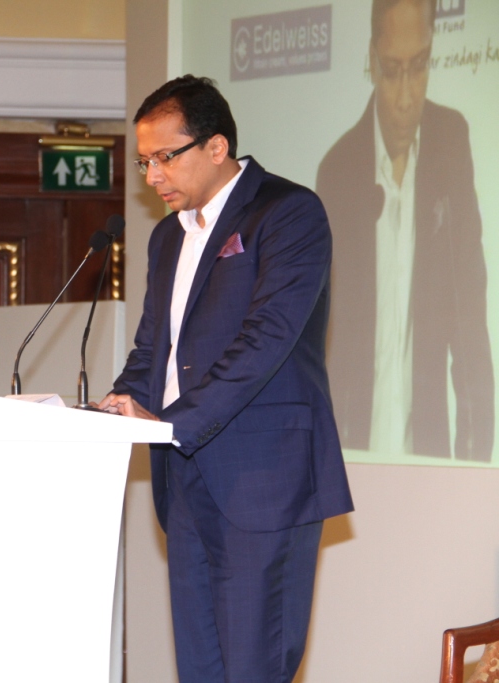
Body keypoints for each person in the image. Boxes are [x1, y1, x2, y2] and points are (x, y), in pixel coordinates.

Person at [97, 75, 353, 682]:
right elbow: (154, 347)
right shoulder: (166, 237)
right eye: (143, 162)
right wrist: (115, 406)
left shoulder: (288, 213)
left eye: (165, 157)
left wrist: (170, 424)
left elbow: (266, 339)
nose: (152, 176)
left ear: (216, 147)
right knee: (201, 669)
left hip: (262, 480)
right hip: (185, 480)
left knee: (253, 667)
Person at [316, 0, 493, 461]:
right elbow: (323, 344)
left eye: (419, 67)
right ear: (373, 60)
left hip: (427, 461)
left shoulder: (451, 143)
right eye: (393, 70)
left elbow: (470, 321)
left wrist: (474, 465)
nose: (406, 96)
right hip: (352, 455)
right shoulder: (338, 169)